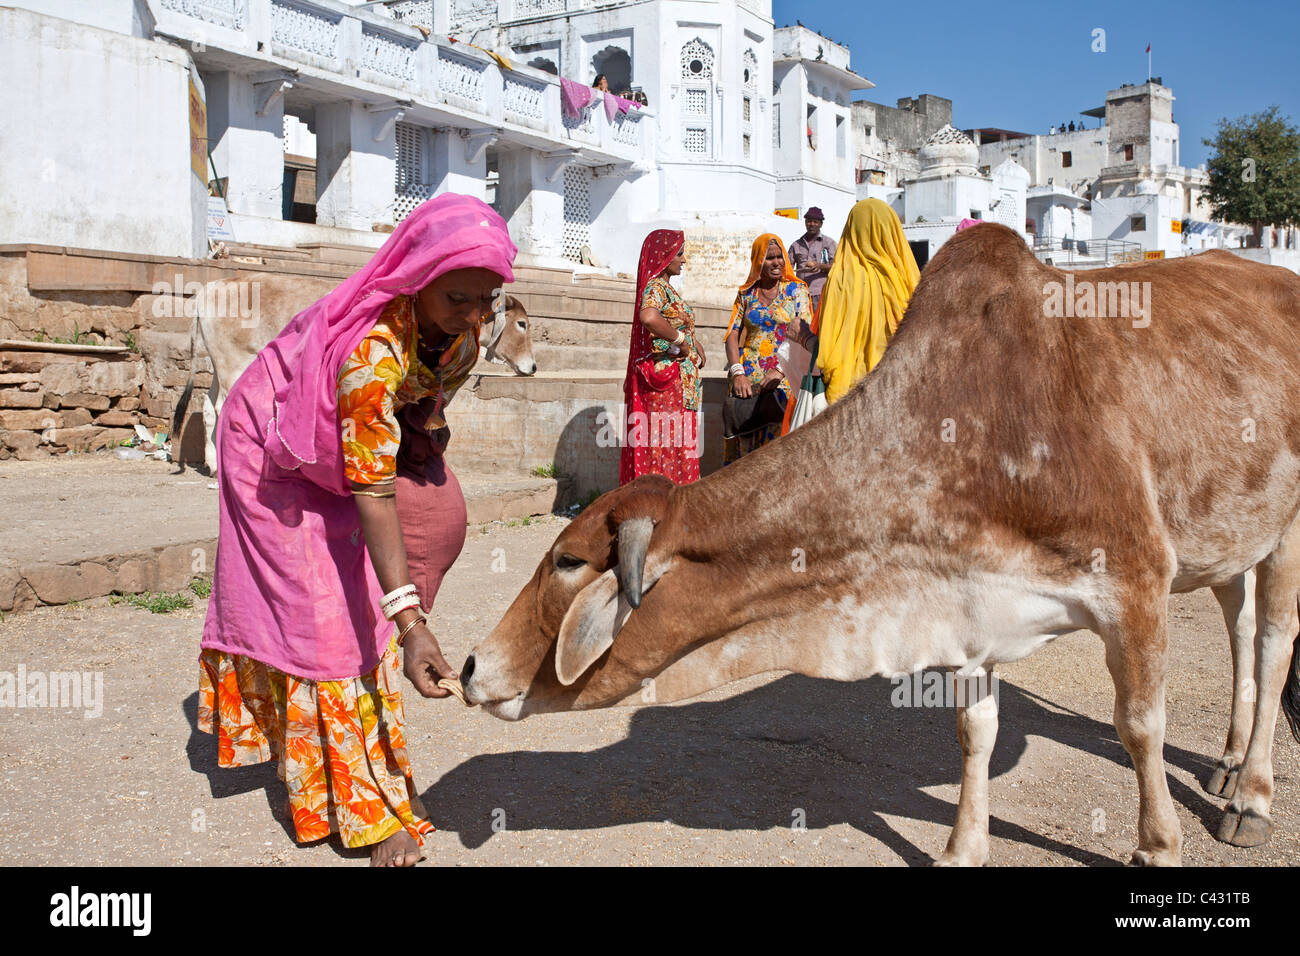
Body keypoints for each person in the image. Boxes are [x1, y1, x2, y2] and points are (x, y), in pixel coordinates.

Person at [197, 194, 517, 867]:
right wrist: (411, 623)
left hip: (337, 443)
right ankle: (365, 812)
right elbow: (373, 492)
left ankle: (370, 778)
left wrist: (424, 431)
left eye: (487, 300)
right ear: (418, 277)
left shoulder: (463, 335)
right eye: (459, 296)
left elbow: (421, 407)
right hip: (272, 452)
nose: (474, 314)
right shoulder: (370, 358)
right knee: (324, 619)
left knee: (356, 608)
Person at [620, 229, 705, 485]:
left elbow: (670, 321)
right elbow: (649, 317)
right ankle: (664, 509)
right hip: (669, 386)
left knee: (676, 446)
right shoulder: (656, 286)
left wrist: (692, 340)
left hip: (681, 384)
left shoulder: (667, 289)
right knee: (667, 448)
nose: (683, 259)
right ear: (664, 256)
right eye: (679, 253)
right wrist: (679, 339)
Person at [815, 197, 920, 405]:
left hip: (850, 398)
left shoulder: (841, 278)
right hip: (899, 390)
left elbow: (826, 348)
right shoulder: (909, 279)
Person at [722, 235, 815, 463]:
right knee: (746, 446)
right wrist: (737, 373)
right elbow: (732, 334)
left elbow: (805, 335)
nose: (776, 263)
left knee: (779, 447)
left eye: (779, 257)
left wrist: (780, 371)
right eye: (769, 258)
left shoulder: (796, 291)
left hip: (784, 379)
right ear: (757, 262)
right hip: (748, 382)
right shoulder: (746, 294)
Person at [789, 206, 837, 314]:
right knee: (801, 326)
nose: (812, 224)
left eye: (815, 222)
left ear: (821, 224)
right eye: (809, 221)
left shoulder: (829, 243)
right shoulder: (796, 245)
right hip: (800, 294)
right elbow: (788, 268)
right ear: (805, 222)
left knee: (820, 326)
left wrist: (820, 266)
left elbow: (837, 267)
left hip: (821, 294)